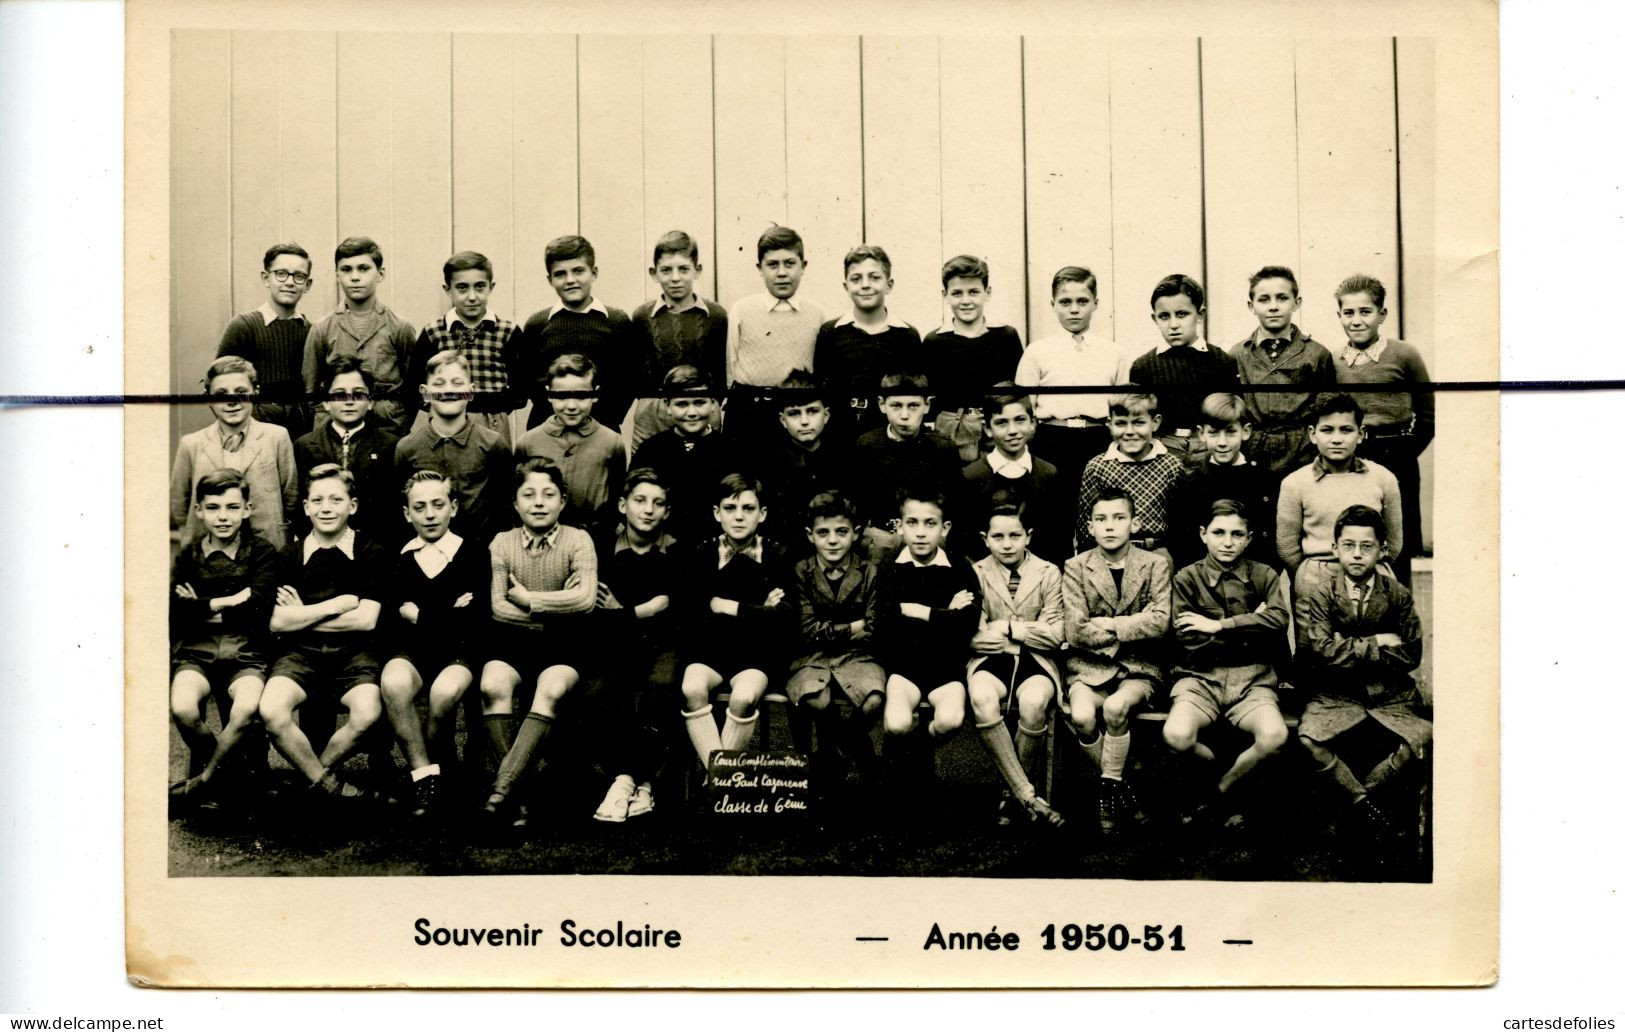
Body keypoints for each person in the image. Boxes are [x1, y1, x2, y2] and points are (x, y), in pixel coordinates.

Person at [257, 464, 392, 802]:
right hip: (299, 656)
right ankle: (327, 784)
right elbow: (276, 622)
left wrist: (302, 613)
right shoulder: (290, 555)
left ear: (353, 505)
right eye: (317, 500)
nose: (326, 507)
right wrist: (339, 604)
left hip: (354, 657)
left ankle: (309, 777)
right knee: (272, 710)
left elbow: (366, 620)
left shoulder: (370, 553)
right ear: (305, 507)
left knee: (368, 712)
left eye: (336, 499)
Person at [1294, 504, 1430, 837]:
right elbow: (1323, 651)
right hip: (1337, 692)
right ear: (1335, 548)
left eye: (1367, 547)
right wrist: (1378, 641)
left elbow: (1411, 654)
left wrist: (1349, 645)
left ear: (1382, 550)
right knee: (1309, 739)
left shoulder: (1397, 595)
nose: (1357, 555)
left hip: (1389, 694)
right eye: (1349, 546)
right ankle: (1361, 802)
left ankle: (1368, 792)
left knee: (1423, 739)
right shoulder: (1322, 594)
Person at [478, 458, 598, 828]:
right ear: (515, 503)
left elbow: (585, 600)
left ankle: (502, 794)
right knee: (492, 684)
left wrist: (529, 600)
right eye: (528, 495)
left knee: (550, 688)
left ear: (562, 501)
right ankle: (519, 793)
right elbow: (498, 608)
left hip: (566, 648)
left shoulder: (579, 540)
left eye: (549, 494)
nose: (539, 502)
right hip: (513, 643)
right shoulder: (501, 542)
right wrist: (553, 612)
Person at [1164, 499, 1292, 828]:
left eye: (1237, 534)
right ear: (1203, 534)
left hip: (1253, 679)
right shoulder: (1186, 578)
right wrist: (1251, 624)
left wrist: (1217, 625)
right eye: (1219, 532)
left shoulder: (1264, 574)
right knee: (1177, 735)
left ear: (1249, 538)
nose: (1227, 541)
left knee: (1274, 735)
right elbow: (1188, 639)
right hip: (1199, 677)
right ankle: (1221, 787)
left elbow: (1278, 620)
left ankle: (1215, 794)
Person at [377, 471, 489, 820]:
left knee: (443, 693)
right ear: (407, 513)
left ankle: (441, 768)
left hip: (459, 651)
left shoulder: (472, 553)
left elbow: (473, 619)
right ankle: (425, 774)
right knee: (394, 682)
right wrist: (447, 610)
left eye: (438, 505)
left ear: (452, 508)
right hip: (412, 651)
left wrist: (421, 615)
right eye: (419, 507)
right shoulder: (399, 557)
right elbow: (395, 616)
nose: (429, 514)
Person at [1062, 487, 1173, 832]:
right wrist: (1131, 626)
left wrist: (1109, 624)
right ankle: (1124, 789)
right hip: (1088, 667)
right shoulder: (1076, 566)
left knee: (1114, 709)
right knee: (1081, 715)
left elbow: (1160, 622)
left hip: (1140, 667)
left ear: (1134, 523)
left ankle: (1106, 804)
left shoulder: (1155, 564)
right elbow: (1077, 631)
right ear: (1090, 527)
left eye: (1119, 518)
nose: (1110, 527)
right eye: (1101, 519)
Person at [167, 470, 279, 804]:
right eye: (213, 507)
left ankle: (205, 781)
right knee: (183, 708)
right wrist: (228, 600)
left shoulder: (261, 551)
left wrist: (199, 605)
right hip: (196, 651)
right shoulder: (189, 554)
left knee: (245, 709)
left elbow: (259, 607)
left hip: (246, 651)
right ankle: (232, 773)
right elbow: (174, 610)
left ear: (247, 509)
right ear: (199, 511)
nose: (223, 516)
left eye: (232, 507)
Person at [676, 474, 794, 773]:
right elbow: (692, 616)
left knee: (744, 696)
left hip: (757, 656)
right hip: (709, 651)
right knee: (692, 687)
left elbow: (783, 621)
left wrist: (727, 606)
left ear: (762, 514)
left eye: (748, 508)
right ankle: (721, 779)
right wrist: (758, 610)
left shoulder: (777, 556)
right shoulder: (702, 554)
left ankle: (715, 780)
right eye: (730, 508)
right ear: (717, 513)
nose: (739, 516)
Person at [584, 468, 682, 822]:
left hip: (662, 644)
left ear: (667, 512)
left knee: (661, 687)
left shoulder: (675, 550)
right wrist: (643, 610)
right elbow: (596, 614)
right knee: (603, 689)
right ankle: (633, 780)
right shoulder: (599, 547)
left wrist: (622, 611)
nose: (648, 510)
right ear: (623, 505)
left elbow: (673, 611)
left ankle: (632, 782)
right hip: (613, 644)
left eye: (658, 503)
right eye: (640, 501)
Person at [874, 487, 981, 804]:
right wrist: (945, 612)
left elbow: (966, 626)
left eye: (930, 523)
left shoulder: (960, 568)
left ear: (944, 528)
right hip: (904, 668)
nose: (920, 533)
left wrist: (916, 611)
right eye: (912, 523)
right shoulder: (890, 569)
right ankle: (906, 767)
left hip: (946, 670)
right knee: (896, 723)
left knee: (949, 720)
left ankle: (917, 753)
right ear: (900, 526)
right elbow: (887, 625)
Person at [967, 501, 1066, 827]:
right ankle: (1026, 795)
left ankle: (1012, 793)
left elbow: (1055, 635)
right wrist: (1026, 630)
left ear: (1029, 536)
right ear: (985, 539)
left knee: (1034, 701)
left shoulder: (1049, 572)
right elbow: (974, 634)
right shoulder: (976, 572)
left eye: (1015, 535)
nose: (1007, 544)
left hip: (1036, 661)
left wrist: (1010, 628)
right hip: (989, 660)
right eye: (998, 536)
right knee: (982, 697)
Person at [1331, 274, 1434, 583]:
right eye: (1349, 313)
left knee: (1394, 548)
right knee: (1354, 541)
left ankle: (1399, 625)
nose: (1357, 320)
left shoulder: (1405, 355)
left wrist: (1403, 450)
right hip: (1352, 459)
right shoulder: (1334, 362)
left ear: (1382, 314)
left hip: (1398, 456)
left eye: (1366, 312)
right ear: (1339, 316)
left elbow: (1428, 416)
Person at [785, 490, 886, 794]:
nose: (832, 541)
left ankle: (838, 752)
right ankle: (859, 756)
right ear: (810, 535)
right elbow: (805, 629)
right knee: (816, 698)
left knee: (874, 699)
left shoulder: (869, 572)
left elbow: (870, 628)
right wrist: (848, 627)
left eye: (841, 532)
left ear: (855, 534)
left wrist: (835, 629)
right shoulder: (801, 571)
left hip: (858, 657)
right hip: (811, 657)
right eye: (823, 533)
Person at [1277, 393, 1403, 602]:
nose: (1336, 439)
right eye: (1327, 430)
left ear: (1360, 434)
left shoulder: (1383, 478)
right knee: (1316, 634)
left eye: (1346, 430)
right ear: (1313, 434)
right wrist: (1309, 574)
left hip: (1371, 578)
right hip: (1316, 579)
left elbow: (1394, 542)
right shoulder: (1295, 482)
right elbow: (1287, 546)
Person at [1016, 266, 1131, 487]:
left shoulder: (1114, 352)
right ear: (1053, 305)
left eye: (1082, 301)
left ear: (1096, 303)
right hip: (1051, 440)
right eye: (1065, 302)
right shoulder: (1037, 351)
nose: (1074, 310)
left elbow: (1124, 406)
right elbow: (1024, 408)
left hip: (1099, 440)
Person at [170, 356, 298, 552]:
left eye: (241, 392)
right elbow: (180, 504)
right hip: (209, 552)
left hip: (267, 547)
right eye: (221, 393)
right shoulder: (192, 444)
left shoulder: (276, 437)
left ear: (255, 393)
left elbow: (291, 496)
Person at [724, 225, 825, 465]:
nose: (782, 273)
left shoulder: (817, 313)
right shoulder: (742, 309)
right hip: (749, 412)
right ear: (760, 268)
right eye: (773, 265)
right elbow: (732, 363)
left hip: (796, 413)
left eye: (790, 264)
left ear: (803, 267)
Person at [394, 350, 513, 544]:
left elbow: (504, 512)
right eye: (439, 384)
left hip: (481, 552)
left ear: (471, 391)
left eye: (457, 383)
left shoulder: (493, 444)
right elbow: (402, 513)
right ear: (425, 393)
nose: (449, 390)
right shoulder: (407, 448)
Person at [407, 250, 526, 445]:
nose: (472, 297)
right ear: (448, 290)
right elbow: (414, 385)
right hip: (444, 420)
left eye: (479, 287)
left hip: (492, 421)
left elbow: (521, 387)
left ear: (491, 287)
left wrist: (494, 406)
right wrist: (442, 405)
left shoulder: (507, 332)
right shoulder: (434, 332)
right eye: (462, 288)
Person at [302, 236, 418, 437]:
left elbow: (413, 388)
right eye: (346, 269)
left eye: (364, 268)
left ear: (380, 274)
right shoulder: (321, 329)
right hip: (336, 428)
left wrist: (397, 417)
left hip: (389, 426)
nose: (355, 277)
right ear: (337, 275)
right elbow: (311, 391)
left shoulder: (400, 327)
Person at [520, 235, 636, 431]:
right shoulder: (538, 324)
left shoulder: (616, 321)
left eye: (578, 271)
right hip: (548, 428)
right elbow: (529, 379)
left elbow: (628, 379)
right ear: (550, 279)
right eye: (560, 274)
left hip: (601, 427)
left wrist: (609, 418)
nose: (570, 280)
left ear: (594, 273)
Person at [627, 230, 729, 451]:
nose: (675, 278)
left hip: (700, 408)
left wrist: (708, 403)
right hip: (653, 411)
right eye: (666, 270)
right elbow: (634, 369)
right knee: (648, 472)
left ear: (697, 270)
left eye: (683, 269)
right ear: (654, 273)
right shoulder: (642, 316)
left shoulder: (716, 316)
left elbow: (721, 371)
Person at [1232, 265, 1337, 479]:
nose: (1273, 307)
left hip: (1303, 454)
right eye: (1264, 300)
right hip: (1252, 451)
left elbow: (1328, 409)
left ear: (1296, 303)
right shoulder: (1237, 355)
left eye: (1282, 298)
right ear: (1251, 306)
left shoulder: (1317, 354)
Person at [814, 245, 924, 445]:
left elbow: (913, 390)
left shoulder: (907, 335)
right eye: (856, 279)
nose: (865, 285)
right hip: (839, 431)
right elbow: (821, 384)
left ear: (889, 284)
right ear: (846, 286)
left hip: (887, 432)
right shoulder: (830, 332)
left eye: (874, 277)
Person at [920, 255, 1024, 461]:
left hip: (996, 427)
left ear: (987, 293)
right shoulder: (934, 341)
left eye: (974, 292)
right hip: (951, 427)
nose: (966, 301)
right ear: (945, 295)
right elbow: (929, 395)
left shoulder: (1006, 336)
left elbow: (1017, 390)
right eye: (957, 293)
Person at [1129, 273, 1240, 465]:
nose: (1174, 325)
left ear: (1200, 314)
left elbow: (1232, 416)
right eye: (1164, 316)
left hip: (1209, 449)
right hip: (1161, 449)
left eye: (1182, 314)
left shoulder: (1222, 361)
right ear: (1155, 318)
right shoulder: (1143, 366)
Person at [851, 372, 963, 559]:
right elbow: (857, 502)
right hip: (881, 540)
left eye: (913, 406)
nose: (904, 415)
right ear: (882, 405)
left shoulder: (942, 447)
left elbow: (956, 504)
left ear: (927, 405)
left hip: (927, 538)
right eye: (896, 406)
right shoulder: (867, 445)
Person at [514, 352, 626, 536]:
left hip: (596, 539)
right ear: (549, 395)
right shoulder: (527, 442)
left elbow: (617, 496)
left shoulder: (612, 442)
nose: (571, 405)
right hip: (541, 537)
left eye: (581, 396)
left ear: (595, 395)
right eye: (562, 396)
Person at [630, 365, 741, 547]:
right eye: (682, 404)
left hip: (715, 546)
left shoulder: (730, 451)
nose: (691, 412)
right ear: (667, 406)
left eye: (699, 402)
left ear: (713, 403)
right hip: (660, 546)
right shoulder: (651, 449)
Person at [961, 385, 1069, 566]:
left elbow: (1059, 542)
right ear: (987, 428)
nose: (1012, 430)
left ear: (1033, 422)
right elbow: (966, 543)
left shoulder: (1048, 474)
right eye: (1002, 422)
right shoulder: (971, 477)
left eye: (1020, 420)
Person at [216, 242, 316, 437]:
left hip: (301, 432)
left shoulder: (312, 331)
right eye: (281, 273)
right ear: (265, 278)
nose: (289, 282)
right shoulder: (244, 326)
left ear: (307, 284)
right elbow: (220, 385)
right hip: (253, 431)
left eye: (299, 276)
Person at [293, 356, 398, 537]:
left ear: (371, 401)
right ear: (326, 402)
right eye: (340, 394)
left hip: (374, 546)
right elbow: (297, 503)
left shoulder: (390, 446)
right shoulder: (304, 446)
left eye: (358, 394)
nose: (349, 401)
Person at [1168, 393, 1275, 569]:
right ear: (1202, 434)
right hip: (1202, 583)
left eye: (1231, 432)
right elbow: (1180, 542)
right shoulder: (1190, 484)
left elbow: (1269, 540)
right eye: (1214, 433)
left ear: (1245, 431)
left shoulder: (1263, 481)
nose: (1222, 442)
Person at [1076, 392, 1185, 558]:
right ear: (1109, 424)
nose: (1129, 432)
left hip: (1157, 553)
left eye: (1139, 423)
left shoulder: (1171, 466)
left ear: (1155, 423)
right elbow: (1086, 529)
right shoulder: (1097, 467)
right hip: (1108, 554)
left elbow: (1180, 525)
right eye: (1120, 423)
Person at [767, 370, 851, 545]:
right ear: (783, 420)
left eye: (812, 411)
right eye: (794, 413)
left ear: (826, 415)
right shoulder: (772, 463)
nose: (804, 421)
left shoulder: (843, 459)